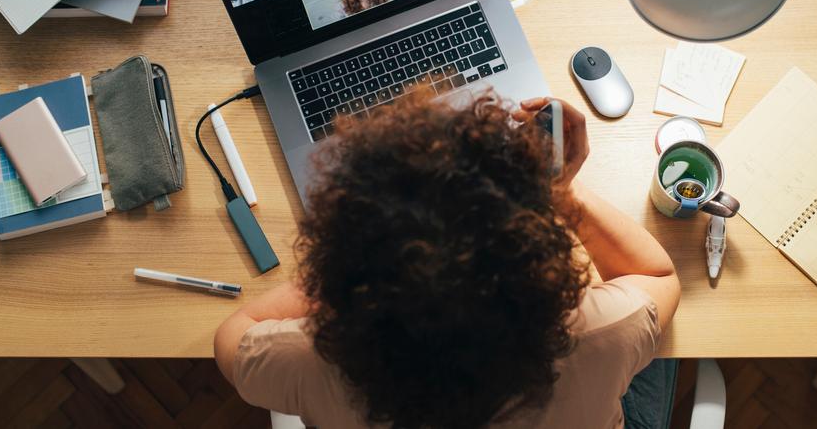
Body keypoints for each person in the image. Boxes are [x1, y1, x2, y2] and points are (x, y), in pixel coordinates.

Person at [214, 90, 682, 429]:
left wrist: (345, 266)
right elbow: (656, 274)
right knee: (667, 345)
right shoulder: (600, 332)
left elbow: (232, 337)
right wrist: (559, 190)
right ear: (537, 268)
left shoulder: (312, 361)